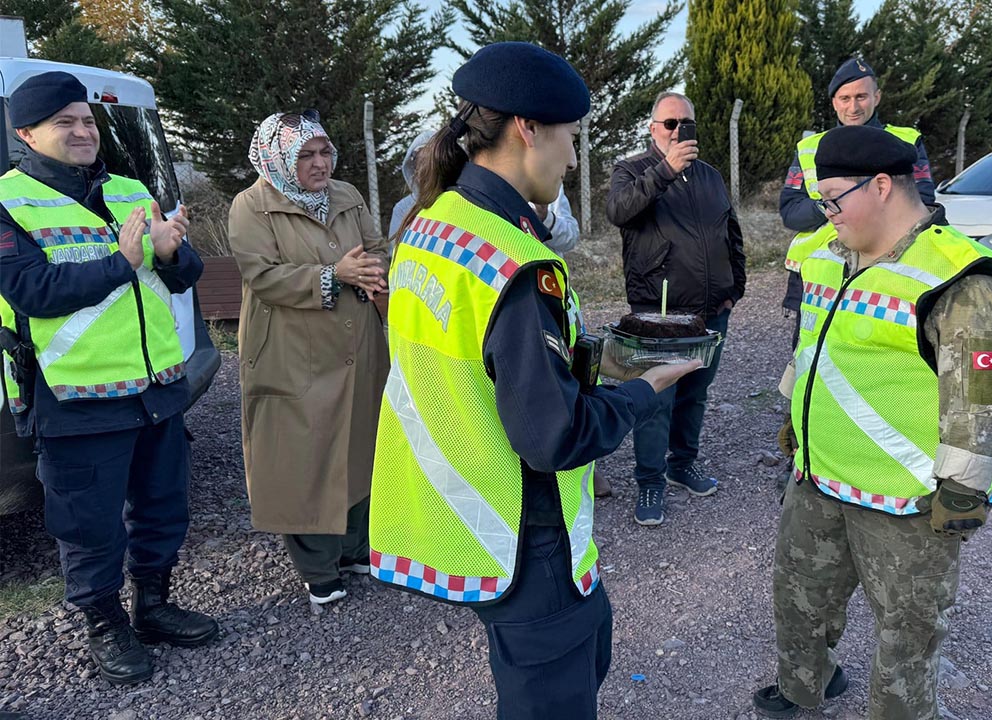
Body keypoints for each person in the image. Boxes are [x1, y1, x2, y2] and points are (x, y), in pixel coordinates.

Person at [367, 42, 701, 720]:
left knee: (571, 658)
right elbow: (554, 436)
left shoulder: (431, 225)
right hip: (523, 529)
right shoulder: (515, 264)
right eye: (571, 138)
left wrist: (589, 357)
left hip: (463, 506)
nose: (574, 158)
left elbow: (475, 357)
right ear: (528, 129)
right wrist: (647, 389)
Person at [754, 125, 992, 719]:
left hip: (909, 503)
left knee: (907, 636)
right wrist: (795, 420)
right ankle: (803, 688)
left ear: (881, 186)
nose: (823, 214)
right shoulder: (828, 256)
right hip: (821, 477)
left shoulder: (961, 279)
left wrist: (961, 492)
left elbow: (980, 398)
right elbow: (813, 351)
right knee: (800, 599)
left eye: (833, 199)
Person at [0, 71, 217, 687]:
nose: (82, 131)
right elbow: (32, 292)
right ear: (26, 134)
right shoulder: (7, 202)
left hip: (155, 387)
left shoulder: (128, 190)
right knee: (88, 526)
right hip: (76, 398)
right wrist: (120, 262)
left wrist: (174, 252)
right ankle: (104, 624)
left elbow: (182, 273)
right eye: (64, 122)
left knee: (162, 509)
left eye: (88, 121)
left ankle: (153, 606)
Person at [227, 111, 390, 605]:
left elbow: (376, 246)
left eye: (324, 152)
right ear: (277, 157)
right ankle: (318, 569)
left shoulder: (346, 195)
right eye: (305, 155)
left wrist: (374, 267)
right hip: (292, 348)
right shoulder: (251, 205)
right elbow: (264, 276)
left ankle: (354, 549)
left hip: (357, 341)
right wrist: (335, 273)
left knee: (363, 439)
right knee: (304, 455)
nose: (320, 164)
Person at [605, 91, 746, 526]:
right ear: (653, 129)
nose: (678, 130)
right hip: (659, 313)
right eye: (669, 123)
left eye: (686, 122)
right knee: (656, 397)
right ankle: (650, 479)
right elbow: (619, 211)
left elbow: (731, 231)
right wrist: (665, 171)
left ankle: (682, 462)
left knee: (695, 393)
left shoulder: (710, 176)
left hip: (710, 312)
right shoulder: (631, 170)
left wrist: (735, 287)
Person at [778, 57, 936, 349]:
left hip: (885, 265)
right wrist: (831, 206)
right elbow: (790, 212)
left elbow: (923, 202)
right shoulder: (808, 148)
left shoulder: (905, 141)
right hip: (816, 272)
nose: (854, 107)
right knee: (810, 356)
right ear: (834, 102)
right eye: (845, 98)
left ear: (876, 97)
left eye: (861, 96)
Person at [390, 131, 580, 255]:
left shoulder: (548, 185)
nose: (426, 169)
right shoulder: (406, 209)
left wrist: (545, 219)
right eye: (419, 163)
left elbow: (570, 238)